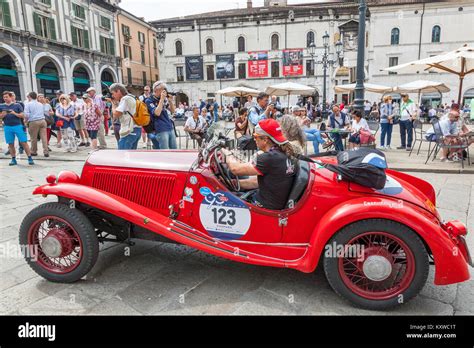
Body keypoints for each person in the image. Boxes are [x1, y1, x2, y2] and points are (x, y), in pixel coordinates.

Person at [222, 118, 297, 211]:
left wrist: (227, 153)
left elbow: (235, 169)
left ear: (265, 140)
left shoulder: (268, 158)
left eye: (255, 136)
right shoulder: (283, 153)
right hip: (275, 201)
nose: (254, 139)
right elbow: (256, 182)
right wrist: (231, 183)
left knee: (224, 200)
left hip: (264, 206)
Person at [0, 91, 34, 165]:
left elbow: (23, 115)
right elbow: (0, 117)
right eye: (4, 97)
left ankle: (29, 158)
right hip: (7, 127)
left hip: (17, 126)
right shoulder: (1, 106)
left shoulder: (17, 105)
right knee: (10, 144)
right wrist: (3, 115)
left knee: (24, 142)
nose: (5, 98)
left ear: (11, 97)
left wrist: (14, 113)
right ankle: (13, 159)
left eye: (7, 97)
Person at [145, 81, 177, 150]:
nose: (165, 91)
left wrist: (170, 101)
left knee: (175, 150)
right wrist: (162, 99)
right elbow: (157, 113)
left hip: (169, 126)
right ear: (156, 90)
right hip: (160, 129)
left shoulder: (163, 99)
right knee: (164, 151)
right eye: (163, 89)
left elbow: (173, 111)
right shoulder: (149, 100)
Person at [110, 83, 141, 150]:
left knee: (122, 155)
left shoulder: (125, 99)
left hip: (129, 131)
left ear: (118, 91)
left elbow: (116, 114)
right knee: (131, 156)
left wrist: (113, 104)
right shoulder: (133, 97)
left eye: (113, 93)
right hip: (137, 129)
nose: (112, 96)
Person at [24, 92, 49, 158]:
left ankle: (34, 151)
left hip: (33, 121)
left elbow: (26, 115)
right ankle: (46, 151)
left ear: (29, 97)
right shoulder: (40, 104)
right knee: (44, 137)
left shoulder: (28, 104)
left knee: (33, 138)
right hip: (42, 121)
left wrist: (25, 121)